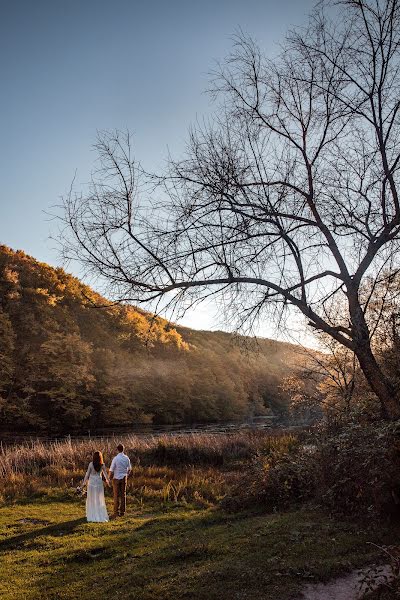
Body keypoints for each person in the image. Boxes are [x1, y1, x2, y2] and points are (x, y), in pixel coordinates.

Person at [81, 450, 110, 523]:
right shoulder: (102, 465)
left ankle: (91, 514)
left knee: (91, 498)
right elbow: (106, 475)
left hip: (92, 483)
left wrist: (83, 483)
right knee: (99, 498)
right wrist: (108, 482)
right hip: (99, 483)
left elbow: (87, 474)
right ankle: (99, 513)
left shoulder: (91, 464)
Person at [109, 443, 132, 518]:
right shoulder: (126, 458)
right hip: (124, 478)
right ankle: (122, 512)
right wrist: (126, 475)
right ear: (123, 449)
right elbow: (129, 469)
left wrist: (109, 478)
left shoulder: (115, 458)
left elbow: (111, 470)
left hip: (116, 478)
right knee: (123, 495)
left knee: (116, 495)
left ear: (117, 450)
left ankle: (116, 512)